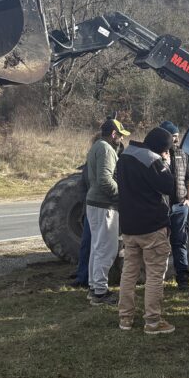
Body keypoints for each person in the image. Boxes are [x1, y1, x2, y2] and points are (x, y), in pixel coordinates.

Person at [115, 127, 177, 335]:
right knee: (154, 274)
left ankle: (125, 318)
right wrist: (165, 163)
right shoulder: (153, 160)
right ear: (162, 148)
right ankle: (152, 321)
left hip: (129, 225)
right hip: (152, 226)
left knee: (129, 272)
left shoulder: (125, 155)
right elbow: (169, 187)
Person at [85, 118, 129, 306]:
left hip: (95, 203)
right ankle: (100, 293)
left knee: (97, 247)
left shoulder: (97, 146)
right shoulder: (106, 149)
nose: (122, 139)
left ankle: (94, 287)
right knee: (107, 249)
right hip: (104, 205)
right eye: (120, 135)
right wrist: (122, 196)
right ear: (113, 134)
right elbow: (105, 180)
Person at [160, 120, 189, 292]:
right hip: (161, 208)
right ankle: (157, 280)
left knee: (180, 242)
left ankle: (183, 280)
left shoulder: (183, 155)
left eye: (177, 136)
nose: (176, 140)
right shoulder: (155, 156)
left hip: (180, 206)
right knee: (159, 243)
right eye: (173, 136)